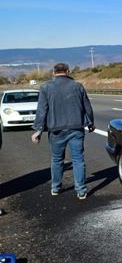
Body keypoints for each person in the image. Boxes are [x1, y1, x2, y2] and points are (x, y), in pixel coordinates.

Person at [31, 63, 95, 199]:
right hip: (76, 128)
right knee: (78, 160)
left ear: (54, 73)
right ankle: (81, 190)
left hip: (56, 130)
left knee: (57, 159)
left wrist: (38, 130)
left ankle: (55, 188)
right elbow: (87, 107)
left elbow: (42, 110)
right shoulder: (77, 86)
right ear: (68, 71)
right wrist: (90, 123)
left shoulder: (46, 87)